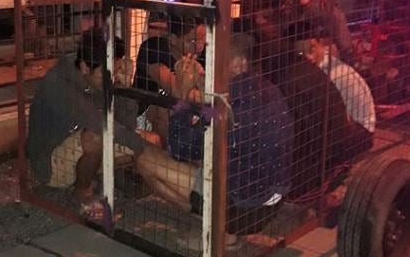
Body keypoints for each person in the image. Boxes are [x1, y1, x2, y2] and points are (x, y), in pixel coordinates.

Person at [136, 30, 294, 235]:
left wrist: (181, 94)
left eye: (217, 62)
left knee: (146, 160)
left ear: (238, 64)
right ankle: (218, 228)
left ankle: (220, 234)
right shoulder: (268, 89)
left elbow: (178, 148)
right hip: (271, 200)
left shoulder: (227, 104)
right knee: (204, 153)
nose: (211, 67)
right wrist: (204, 91)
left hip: (241, 207)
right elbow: (216, 118)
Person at [27, 27, 158, 222]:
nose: (111, 77)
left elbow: (126, 124)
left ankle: (121, 181)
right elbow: (100, 125)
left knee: (152, 138)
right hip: (50, 163)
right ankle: (83, 195)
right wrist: (144, 148)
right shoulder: (60, 83)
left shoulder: (97, 74)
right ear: (85, 67)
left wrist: (124, 87)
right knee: (96, 138)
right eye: (107, 73)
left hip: (80, 140)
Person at [277, 20, 375, 200]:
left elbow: (339, 121)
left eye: (311, 49)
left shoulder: (335, 75)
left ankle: (327, 183)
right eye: (300, 52)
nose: (308, 56)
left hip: (359, 131)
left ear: (318, 45)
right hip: (345, 125)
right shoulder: (316, 70)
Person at [133, 15, 207, 143]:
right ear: (173, 39)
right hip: (145, 116)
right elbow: (175, 92)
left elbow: (211, 94)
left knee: (214, 114)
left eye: (203, 39)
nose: (200, 46)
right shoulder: (154, 49)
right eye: (193, 41)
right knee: (167, 108)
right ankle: (172, 156)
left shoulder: (203, 54)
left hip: (191, 111)